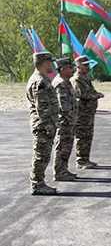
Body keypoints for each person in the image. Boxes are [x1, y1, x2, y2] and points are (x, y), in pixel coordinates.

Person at [27, 52, 60, 195]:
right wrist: (48, 126)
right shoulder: (39, 82)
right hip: (43, 126)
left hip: (45, 124)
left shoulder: (42, 79)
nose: (53, 65)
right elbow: (42, 107)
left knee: (43, 155)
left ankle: (39, 183)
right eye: (51, 62)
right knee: (41, 156)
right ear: (45, 63)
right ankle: (37, 185)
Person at [72, 55, 105, 169]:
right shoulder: (76, 79)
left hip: (88, 113)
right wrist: (97, 96)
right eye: (85, 65)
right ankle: (81, 161)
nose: (88, 67)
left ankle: (86, 158)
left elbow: (91, 91)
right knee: (82, 136)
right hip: (82, 113)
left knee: (88, 136)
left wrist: (96, 93)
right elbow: (83, 94)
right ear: (78, 66)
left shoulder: (85, 78)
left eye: (88, 64)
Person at [52, 57, 78, 182]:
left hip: (68, 121)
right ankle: (59, 172)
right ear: (62, 69)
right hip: (64, 122)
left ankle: (63, 169)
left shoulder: (66, 82)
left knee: (66, 147)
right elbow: (63, 105)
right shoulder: (60, 84)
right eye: (70, 68)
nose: (73, 70)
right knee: (62, 147)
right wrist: (70, 118)